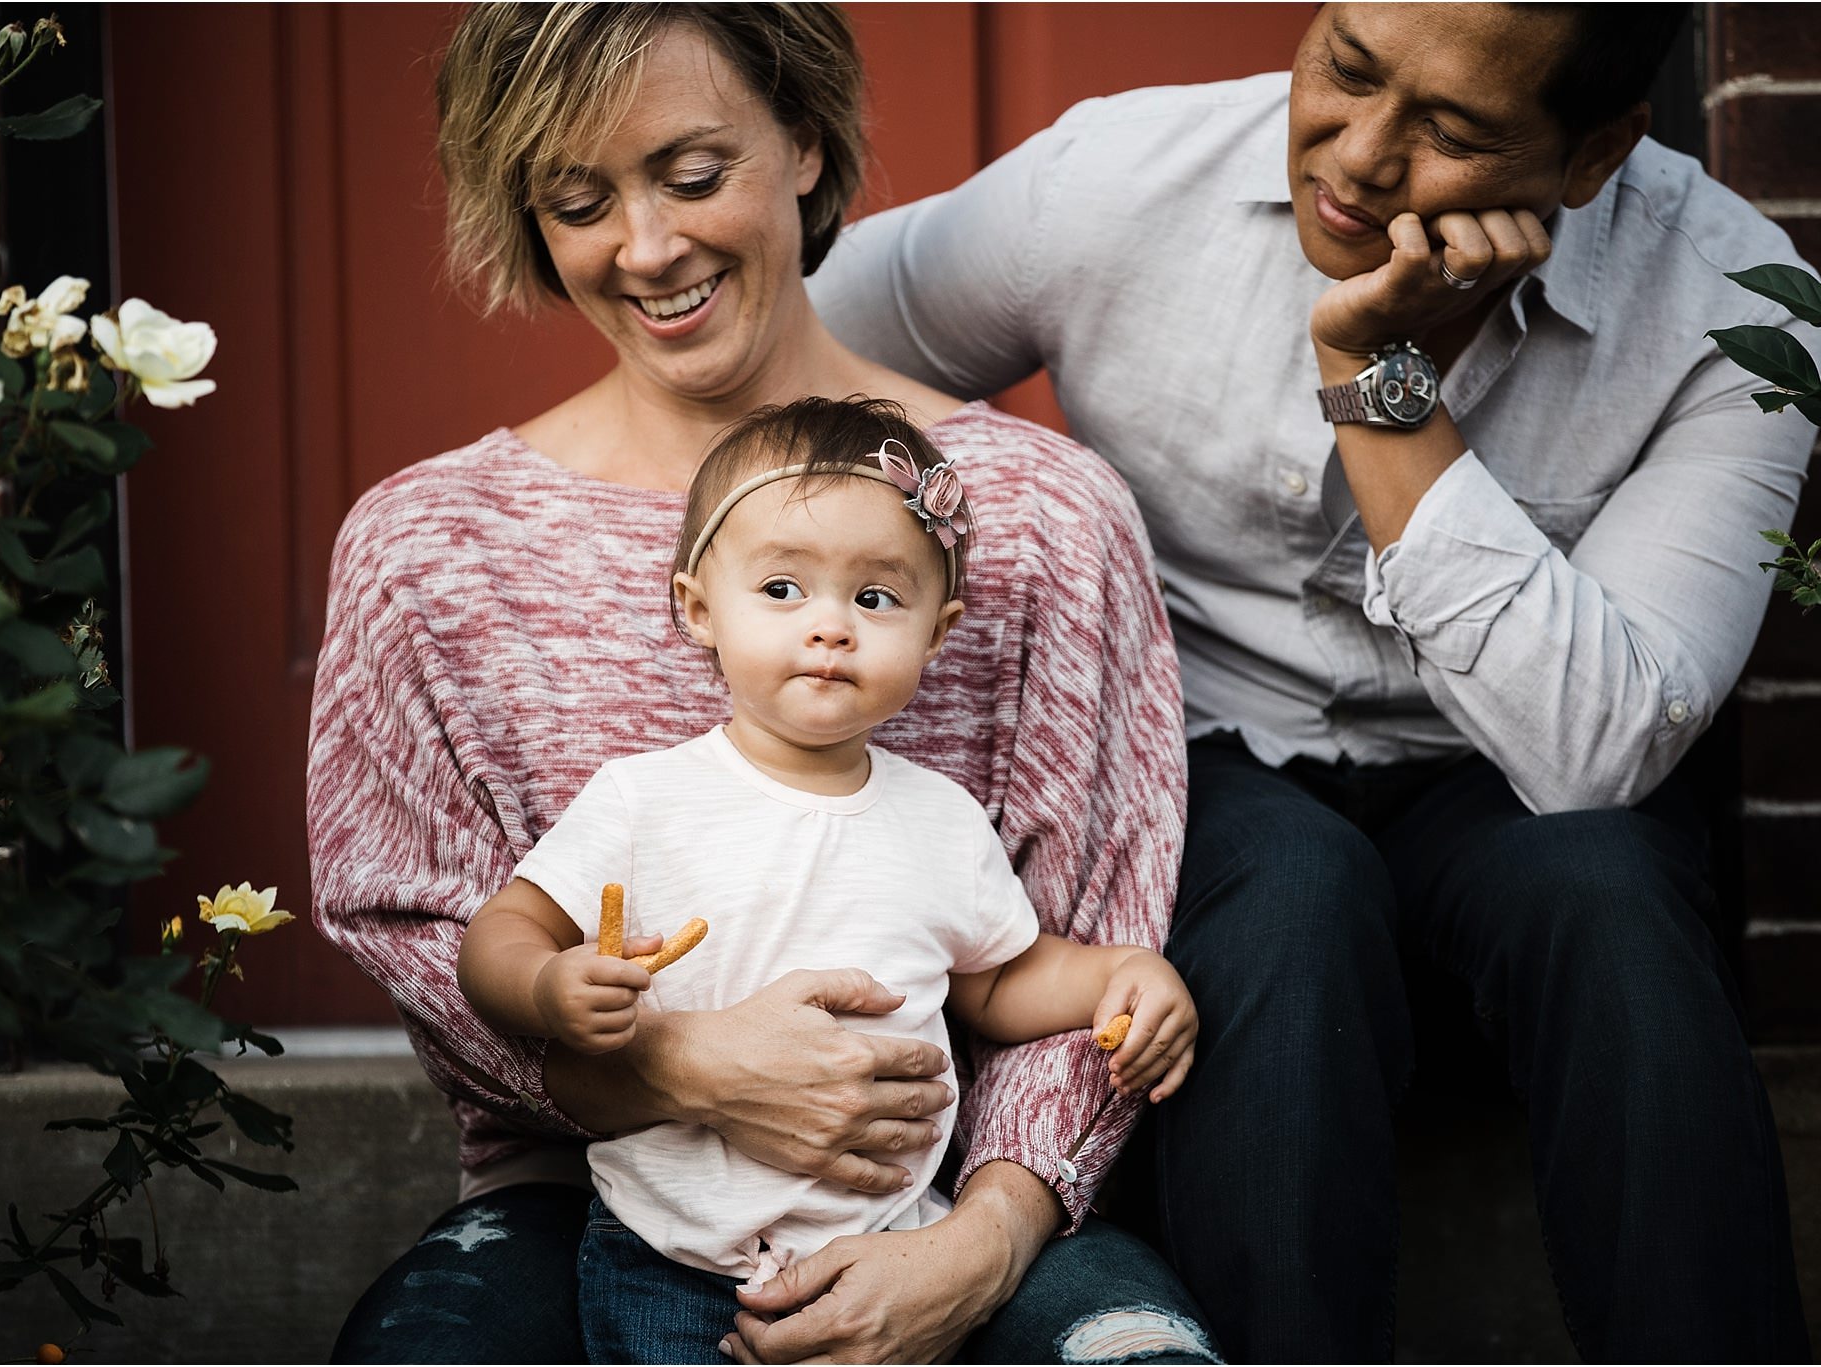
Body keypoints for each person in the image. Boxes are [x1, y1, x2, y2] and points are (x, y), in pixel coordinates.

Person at [810, 3, 1821, 1361]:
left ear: (1594, 156)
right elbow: (793, 337)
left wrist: (1376, 375)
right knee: (1290, 891)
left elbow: (1594, 753)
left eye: (1455, 130)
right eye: (1345, 68)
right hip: (1209, 759)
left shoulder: (1735, 304)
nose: (1357, 154)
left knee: (1614, 894)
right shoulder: (1119, 179)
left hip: (1507, 779)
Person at [308, 5, 1217, 1363]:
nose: (650, 246)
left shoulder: (1040, 517)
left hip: (965, 1191)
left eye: (690, 174)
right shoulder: (430, 548)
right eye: (579, 200)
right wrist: (675, 1065)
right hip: (599, 1203)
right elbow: (418, 923)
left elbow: (1075, 937)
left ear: (802, 140)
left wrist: (979, 1243)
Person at [458, 396, 1200, 1364]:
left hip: (885, 1248)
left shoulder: (940, 820)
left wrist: (1119, 975)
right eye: (779, 588)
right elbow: (499, 933)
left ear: (938, 632)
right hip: (670, 1253)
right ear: (696, 608)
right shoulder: (644, 799)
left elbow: (995, 982)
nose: (829, 628)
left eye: (875, 599)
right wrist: (550, 987)